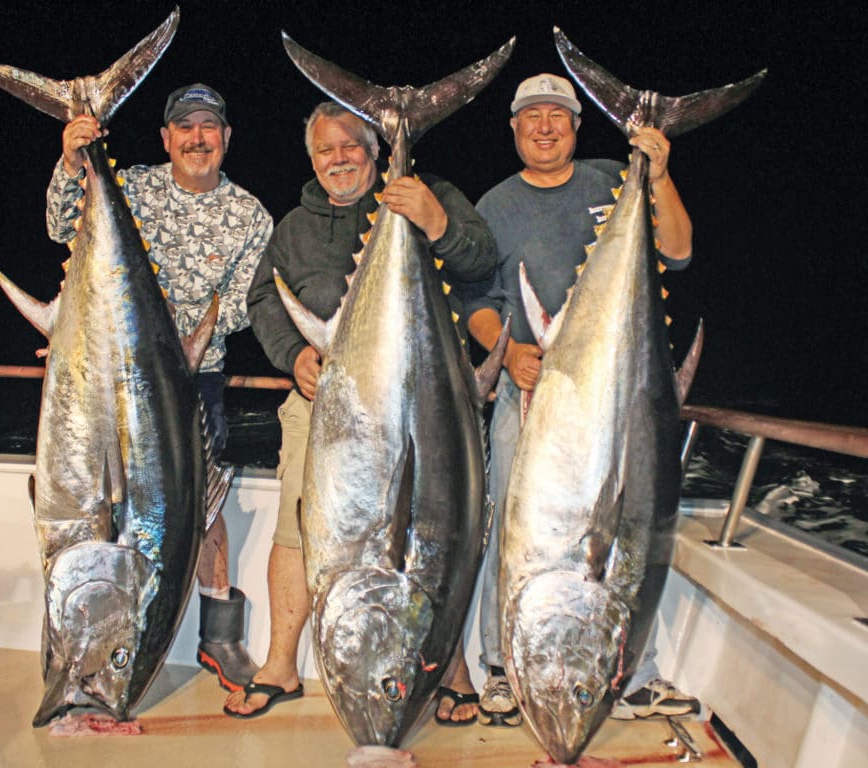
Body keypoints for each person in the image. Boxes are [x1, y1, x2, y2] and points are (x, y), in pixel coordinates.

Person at [228, 101, 496, 722]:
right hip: (326, 412)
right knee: (298, 531)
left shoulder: (430, 194)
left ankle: (450, 669)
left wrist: (434, 221)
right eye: (326, 149)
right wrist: (292, 354)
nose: (339, 158)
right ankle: (281, 666)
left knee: (440, 535)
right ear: (312, 158)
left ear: (375, 153)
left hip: (427, 410)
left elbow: (480, 259)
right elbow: (264, 298)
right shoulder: (295, 226)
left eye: (352, 146)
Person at [462, 73, 699, 726]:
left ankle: (632, 675)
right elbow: (476, 305)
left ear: (576, 126)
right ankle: (501, 667)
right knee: (516, 532)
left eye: (558, 116)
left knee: (628, 530)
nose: (545, 126)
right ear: (513, 129)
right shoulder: (494, 206)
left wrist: (656, 173)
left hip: (614, 396)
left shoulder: (610, 181)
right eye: (532, 116)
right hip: (531, 396)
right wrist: (507, 353)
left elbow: (676, 250)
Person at [45, 83, 272, 693]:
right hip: (107, 369)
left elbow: (246, 305)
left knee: (202, 500)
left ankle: (219, 638)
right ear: (166, 139)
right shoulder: (133, 189)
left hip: (190, 375)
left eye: (209, 128)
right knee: (87, 495)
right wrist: (74, 160)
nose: (197, 139)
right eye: (185, 128)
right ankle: (80, 630)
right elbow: (60, 226)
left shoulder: (250, 215)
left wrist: (179, 344)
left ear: (226, 139)